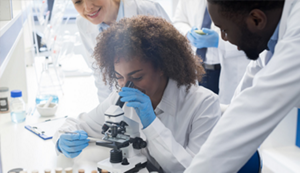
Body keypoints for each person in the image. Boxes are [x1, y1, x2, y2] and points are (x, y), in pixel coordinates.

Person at [53, 16, 221, 172]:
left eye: (137, 77)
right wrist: (62, 142)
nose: (127, 87)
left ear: (162, 67)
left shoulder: (204, 104)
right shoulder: (120, 98)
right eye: (119, 77)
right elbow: (75, 125)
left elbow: (193, 169)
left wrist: (151, 123)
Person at [184, 0, 300, 172]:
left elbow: (251, 112)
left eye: (224, 30)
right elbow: (247, 90)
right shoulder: (273, 38)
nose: (224, 38)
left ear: (256, 20)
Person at [72, 0, 171, 102]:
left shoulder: (147, 9)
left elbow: (175, 63)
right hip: (123, 102)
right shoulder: (83, 23)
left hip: (163, 101)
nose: (88, 8)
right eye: (78, 1)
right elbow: (100, 75)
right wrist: (107, 112)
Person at [173, 0, 250, 104]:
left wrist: (220, 41)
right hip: (198, 68)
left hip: (228, 70)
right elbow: (178, 21)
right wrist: (188, 33)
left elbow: (252, 34)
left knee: (226, 111)